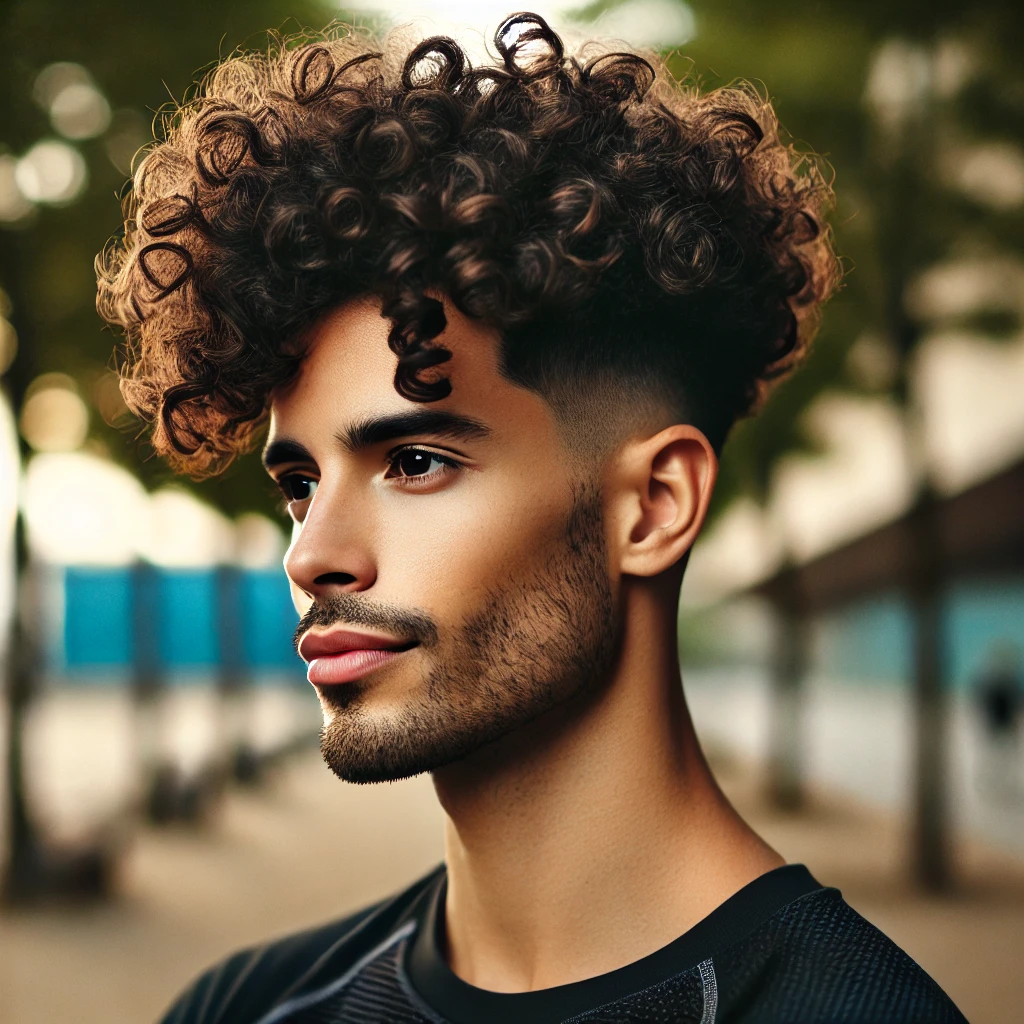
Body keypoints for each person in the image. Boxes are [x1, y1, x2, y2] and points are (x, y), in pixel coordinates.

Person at [97, 13, 965, 1022]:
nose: (312, 554)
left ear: (652, 504)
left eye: (413, 461)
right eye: (299, 484)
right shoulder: (245, 1008)